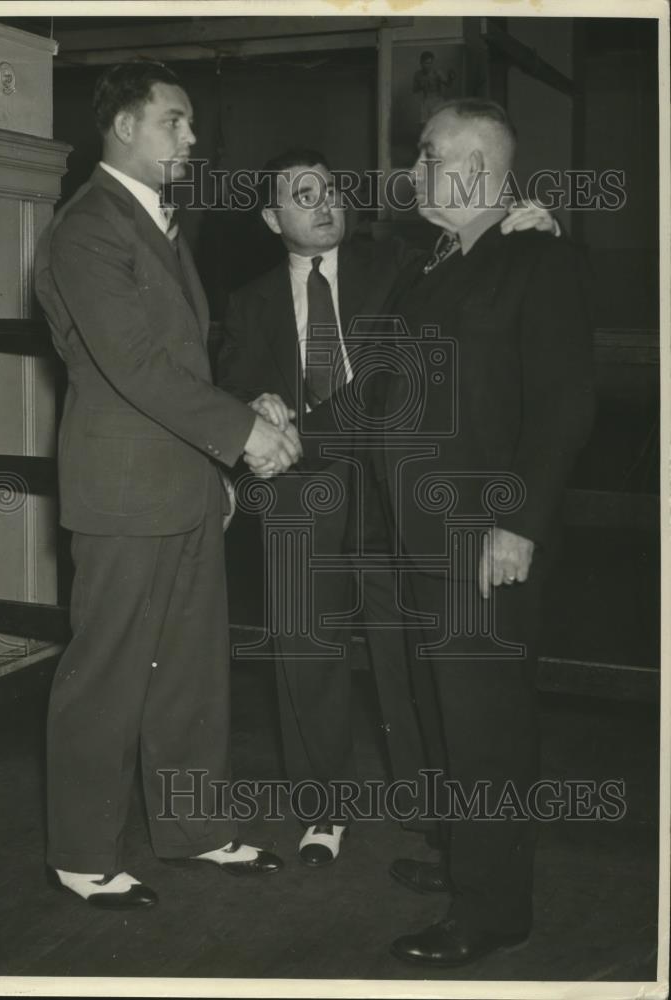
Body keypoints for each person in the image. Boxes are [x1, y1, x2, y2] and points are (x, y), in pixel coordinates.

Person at [217, 147, 559, 868]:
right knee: (306, 647)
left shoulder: (401, 266)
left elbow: (479, 270)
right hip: (299, 489)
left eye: (331, 187)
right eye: (302, 194)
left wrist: (528, 225)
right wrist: (255, 400)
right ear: (272, 217)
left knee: (407, 646)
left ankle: (426, 803)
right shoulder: (245, 300)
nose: (323, 202)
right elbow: (234, 382)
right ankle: (322, 810)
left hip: (391, 486)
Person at [33, 60, 301, 909]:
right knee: (109, 671)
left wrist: (233, 422)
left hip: (183, 484)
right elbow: (139, 368)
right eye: (175, 122)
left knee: (189, 669)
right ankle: (81, 853)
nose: (192, 138)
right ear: (123, 128)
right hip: (124, 492)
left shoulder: (157, 225)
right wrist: (244, 435)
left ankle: (193, 829)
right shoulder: (87, 231)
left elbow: (185, 360)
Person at [365, 98, 595, 966]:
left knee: (487, 728)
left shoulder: (540, 259)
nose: (414, 170)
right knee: (449, 719)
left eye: (428, 156)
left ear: (479, 168)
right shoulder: (434, 265)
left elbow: (565, 405)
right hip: (425, 538)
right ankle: (470, 859)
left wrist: (518, 525)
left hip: (486, 542)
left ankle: (493, 909)